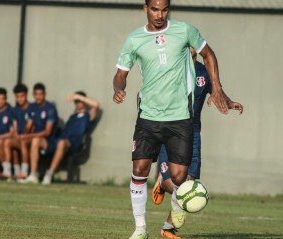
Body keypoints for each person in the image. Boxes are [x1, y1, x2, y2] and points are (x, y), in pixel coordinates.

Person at [112, 1, 234, 238]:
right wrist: (119, 88)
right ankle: (140, 229)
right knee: (139, 169)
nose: (160, 14)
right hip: (148, 117)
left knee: (179, 178)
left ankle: (175, 212)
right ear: (145, 8)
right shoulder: (134, 39)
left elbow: (209, 55)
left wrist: (217, 88)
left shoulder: (185, 30)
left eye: (164, 9)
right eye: (155, 9)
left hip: (180, 119)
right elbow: (120, 74)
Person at [151, 48, 243, 238]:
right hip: (169, 132)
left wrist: (230, 102)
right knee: (174, 186)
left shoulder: (204, 72)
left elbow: (218, 92)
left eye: (193, 49)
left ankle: (168, 228)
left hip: (193, 134)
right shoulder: (169, 69)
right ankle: (162, 181)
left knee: (188, 185)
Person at [40, 91, 99, 185]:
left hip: (73, 144)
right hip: (59, 141)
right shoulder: (72, 117)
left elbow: (96, 105)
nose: (78, 103)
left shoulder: (88, 116)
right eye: (76, 101)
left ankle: (49, 174)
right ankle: (32, 174)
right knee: (37, 141)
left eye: (79, 101)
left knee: (62, 143)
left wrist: (78, 96)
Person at [18, 83, 59, 184]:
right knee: (22, 141)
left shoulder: (50, 109)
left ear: (45, 94)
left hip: (50, 142)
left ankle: (34, 174)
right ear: (33, 95)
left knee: (35, 141)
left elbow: (47, 132)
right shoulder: (32, 107)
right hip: (35, 137)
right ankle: (23, 173)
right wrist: (25, 133)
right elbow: (29, 125)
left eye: (40, 94)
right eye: (36, 94)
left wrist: (28, 135)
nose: (38, 97)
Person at [3, 83, 32, 179]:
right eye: (17, 97)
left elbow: (29, 127)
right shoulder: (14, 110)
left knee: (22, 142)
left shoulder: (32, 108)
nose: (20, 99)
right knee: (8, 142)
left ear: (26, 95)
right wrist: (15, 135)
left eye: (22, 96)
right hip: (19, 137)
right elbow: (14, 127)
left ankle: (24, 172)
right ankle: (9, 171)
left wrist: (23, 136)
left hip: (29, 138)